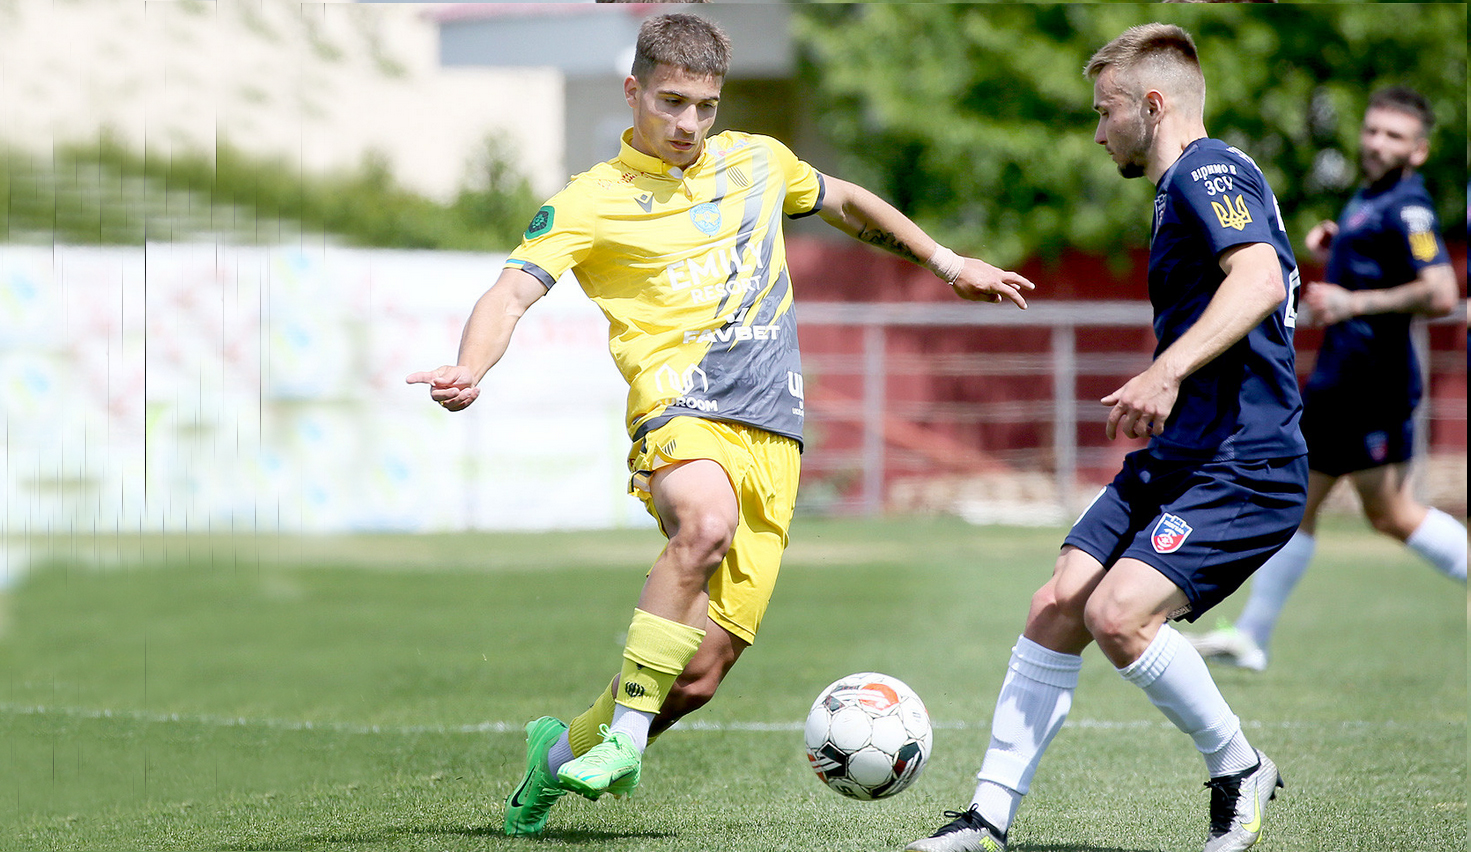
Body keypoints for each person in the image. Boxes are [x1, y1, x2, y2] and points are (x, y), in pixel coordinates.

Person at [406, 13, 1034, 839]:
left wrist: (948, 264)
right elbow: (511, 292)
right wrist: (471, 366)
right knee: (703, 522)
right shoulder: (592, 200)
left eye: (704, 106)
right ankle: (625, 741)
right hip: (679, 412)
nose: (688, 124)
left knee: (697, 677)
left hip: (773, 432)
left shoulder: (757, 161)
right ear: (633, 92)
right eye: (670, 102)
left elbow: (844, 199)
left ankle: (554, 759)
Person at [904, 24, 1306, 852]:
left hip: (1245, 461)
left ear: (1151, 105)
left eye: (1104, 111)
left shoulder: (1206, 169)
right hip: (1183, 453)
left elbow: (1260, 277)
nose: (1096, 133)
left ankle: (1238, 768)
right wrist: (1170, 382)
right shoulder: (1186, 185)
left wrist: (1166, 372)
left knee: (1118, 616)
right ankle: (985, 821)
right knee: (1057, 604)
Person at [1188, 87, 1466, 672]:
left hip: (1374, 389)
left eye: (1394, 136)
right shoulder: (1370, 199)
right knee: (1298, 504)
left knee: (1391, 514)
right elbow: (1380, 262)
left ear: (1419, 151)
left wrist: (1352, 301)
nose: (1377, 143)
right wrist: (1341, 246)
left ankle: (1252, 634)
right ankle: (1252, 635)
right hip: (1342, 384)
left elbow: (1441, 291)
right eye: (1373, 130)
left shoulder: (1411, 207)